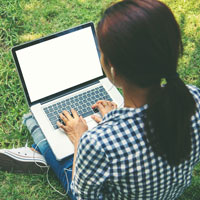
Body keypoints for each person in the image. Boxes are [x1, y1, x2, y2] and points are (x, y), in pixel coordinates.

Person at [0, 0, 200, 199]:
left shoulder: (97, 143)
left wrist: (80, 138)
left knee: (39, 126)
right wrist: (113, 119)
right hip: (170, 192)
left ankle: (43, 151)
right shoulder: (194, 99)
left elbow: (83, 196)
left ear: (114, 69)